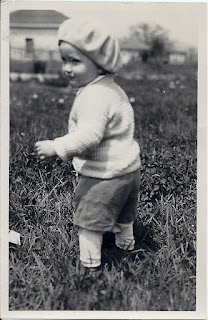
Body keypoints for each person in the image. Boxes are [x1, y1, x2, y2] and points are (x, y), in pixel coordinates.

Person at [35, 17, 141, 273]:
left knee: (89, 221)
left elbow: (89, 136)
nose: (67, 68)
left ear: (100, 63)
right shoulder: (110, 88)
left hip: (104, 176)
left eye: (75, 61)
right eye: (64, 60)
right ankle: (125, 244)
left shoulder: (95, 96)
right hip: (128, 171)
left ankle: (89, 268)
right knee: (124, 213)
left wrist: (57, 146)